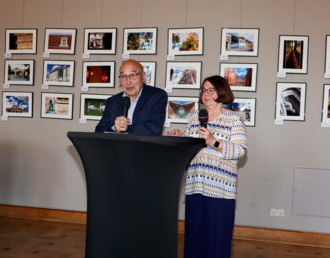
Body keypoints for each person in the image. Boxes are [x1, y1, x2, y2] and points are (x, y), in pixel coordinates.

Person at [167, 75, 247, 258]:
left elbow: (240, 150)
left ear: (222, 92)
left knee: (217, 244)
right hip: (195, 187)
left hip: (220, 191)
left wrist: (214, 142)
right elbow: (189, 148)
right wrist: (180, 139)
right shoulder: (195, 117)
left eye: (211, 90)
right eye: (204, 90)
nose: (206, 94)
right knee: (194, 242)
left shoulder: (234, 120)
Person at [95, 59, 167, 135]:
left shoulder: (157, 96)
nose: (128, 82)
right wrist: (114, 127)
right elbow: (98, 131)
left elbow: (154, 129)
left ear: (143, 76)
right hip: (117, 146)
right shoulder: (112, 101)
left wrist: (125, 129)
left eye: (132, 75)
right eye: (123, 76)